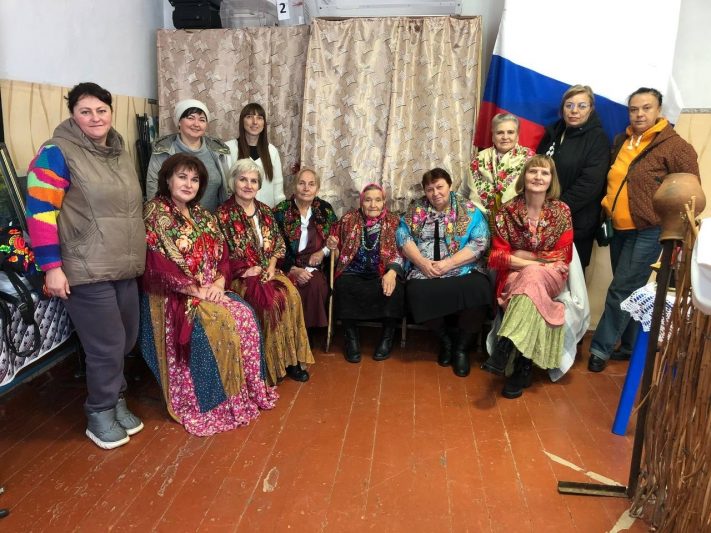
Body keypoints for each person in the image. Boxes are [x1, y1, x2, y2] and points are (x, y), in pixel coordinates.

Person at [26, 82, 146, 449]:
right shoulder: (56, 152)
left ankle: (116, 398)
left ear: (111, 112)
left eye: (101, 110)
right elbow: (40, 212)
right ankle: (99, 411)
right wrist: (51, 267)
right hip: (84, 266)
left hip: (123, 264)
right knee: (106, 345)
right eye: (85, 111)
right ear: (73, 115)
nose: (95, 118)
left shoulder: (119, 151)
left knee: (126, 338)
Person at [140, 153, 277, 435]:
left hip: (210, 289)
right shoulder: (155, 212)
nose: (188, 184)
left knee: (246, 317)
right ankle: (212, 403)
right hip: (175, 294)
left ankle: (243, 394)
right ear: (167, 179)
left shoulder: (203, 214)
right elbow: (156, 264)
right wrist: (195, 290)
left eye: (194, 179)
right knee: (218, 326)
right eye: (182, 177)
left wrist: (219, 282)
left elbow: (222, 256)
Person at [588, 88, 700, 372]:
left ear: (659, 110)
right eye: (634, 109)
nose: (639, 114)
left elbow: (691, 191)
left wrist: (678, 228)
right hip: (618, 228)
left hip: (649, 229)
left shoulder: (675, 146)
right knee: (630, 289)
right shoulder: (622, 141)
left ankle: (600, 349)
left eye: (646, 108)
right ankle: (629, 346)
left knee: (620, 288)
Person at [481, 156, 575, 398]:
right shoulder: (507, 211)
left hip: (552, 275)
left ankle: (505, 347)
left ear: (551, 180)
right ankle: (523, 367)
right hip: (517, 275)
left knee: (531, 276)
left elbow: (563, 256)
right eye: (533, 172)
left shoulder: (561, 211)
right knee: (529, 282)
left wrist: (521, 256)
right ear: (524, 176)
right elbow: (497, 257)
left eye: (545, 173)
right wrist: (536, 261)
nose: (538, 177)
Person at [217, 158, 313, 384]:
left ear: (259, 186)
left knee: (291, 296)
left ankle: (291, 360)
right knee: (268, 304)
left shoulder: (265, 212)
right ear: (233, 182)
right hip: (241, 276)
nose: (248, 185)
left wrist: (271, 266)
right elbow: (219, 255)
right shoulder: (222, 215)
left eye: (253, 181)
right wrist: (245, 271)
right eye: (243, 179)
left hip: (269, 270)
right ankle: (267, 366)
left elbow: (278, 245)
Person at [397, 168, 492, 377]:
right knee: (415, 292)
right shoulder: (416, 209)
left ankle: (461, 348)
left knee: (480, 288)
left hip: (462, 268)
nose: (435, 193)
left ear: (450, 185)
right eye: (429, 189)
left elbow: (480, 242)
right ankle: (445, 341)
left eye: (439, 187)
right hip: (425, 269)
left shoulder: (468, 209)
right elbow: (403, 235)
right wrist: (421, 262)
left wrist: (448, 264)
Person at [328, 184, 405, 363]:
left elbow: (402, 251)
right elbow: (338, 253)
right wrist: (333, 246)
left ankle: (387, 337)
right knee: (343, 285)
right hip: (353, 272)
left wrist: (392, 272)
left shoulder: (394, 221)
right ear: (361, 202)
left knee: (396, 288)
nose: (373, 205)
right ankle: (351, 337)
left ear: (384, 202)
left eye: (378, 200)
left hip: (381, 272)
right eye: (368, 200)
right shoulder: (349, 219)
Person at [537, 85, 610, 269]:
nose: (574, 110)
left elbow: (589, 184)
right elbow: (536, 167)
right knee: (540, 272)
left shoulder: (597, 139)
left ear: (591, 109)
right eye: (569, 105)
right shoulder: (553, 132)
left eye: (581, 106)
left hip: (576, 224)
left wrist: (555, 209)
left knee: (569, 277)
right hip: (541, 219)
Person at [273, 168, 337, 331]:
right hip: (286, 266)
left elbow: (335, 240)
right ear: (294, 186)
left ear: (317, 188)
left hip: (314, 266)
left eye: (311, 184)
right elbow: (273, 246)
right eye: (301, 183)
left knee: (316, 285)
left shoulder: (325, 210)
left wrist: (323, 252)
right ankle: (290, 334)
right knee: (285, 289)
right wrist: (292, 269)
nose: (306, 188)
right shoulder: (281, 211)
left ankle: (307, 334)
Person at [146, 99, 231, 211]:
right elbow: (153, 190)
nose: (196, 124)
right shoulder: (163, 150)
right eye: (191, 118)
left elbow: (227, 189)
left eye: (202, 120)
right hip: (174, 219)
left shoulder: (218, 151)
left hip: (213, 219)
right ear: (179, 122)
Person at [465, 113, 534, 220]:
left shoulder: (530, 159)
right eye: (500, 132)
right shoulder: (478, 158)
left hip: (517, 221)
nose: (505, 137)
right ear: (493, 136)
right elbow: (464, 192)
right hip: (480, 221)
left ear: (517, 136)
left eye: (510, 132)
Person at [225, 103, 285, 208]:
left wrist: (280, 212)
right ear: (242, 121)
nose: (255, 122)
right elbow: (224, 188)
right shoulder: (229, 149)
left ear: (264, 123)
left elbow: (278, 189)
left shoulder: (272, 151)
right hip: (235, 214)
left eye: (259, 118)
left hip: (267, 213)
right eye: (249, 117)